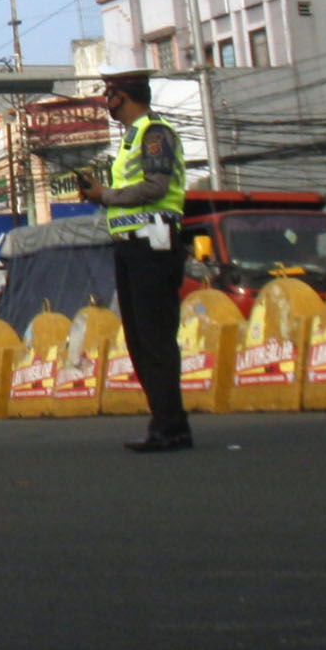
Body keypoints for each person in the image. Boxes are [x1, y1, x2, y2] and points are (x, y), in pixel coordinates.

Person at [92, 69, 192, 451]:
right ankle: (165, 422)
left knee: (155, 339)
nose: (106, 99)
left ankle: (172, 428)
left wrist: (106, 195)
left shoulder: (154, 133)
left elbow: (156, 186)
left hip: (154, 244)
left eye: (109, 93)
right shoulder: (132, 139)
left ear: (124, 95)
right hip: (132, 246)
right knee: (139, 340)